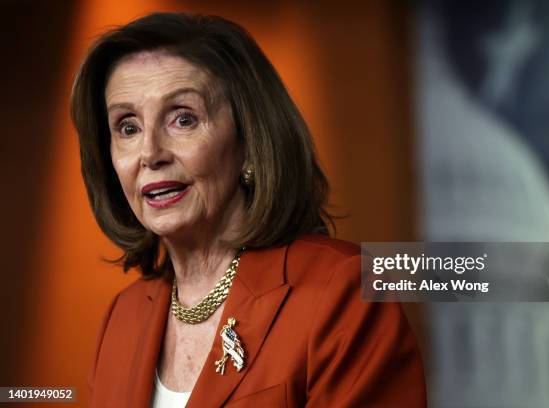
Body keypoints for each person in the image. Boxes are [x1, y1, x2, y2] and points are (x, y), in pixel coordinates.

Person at [70, 12, 425, 407]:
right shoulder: (122, 318)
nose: (150, 154)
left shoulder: (342, 290)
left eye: (183, 119)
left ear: (248, 142)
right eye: (128, 127)